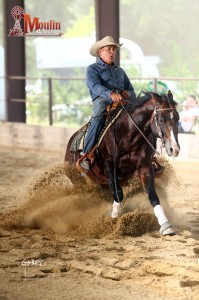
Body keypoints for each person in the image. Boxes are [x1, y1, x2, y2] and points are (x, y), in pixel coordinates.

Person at [78, 36, 136, 172]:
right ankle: (86, 155)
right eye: (108, 49)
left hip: (123, 101)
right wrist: (110, 94)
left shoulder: (120, 71)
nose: (112, 52)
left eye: (113, 50)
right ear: (100, 53)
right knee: (98, 119)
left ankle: (143, 154)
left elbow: (131, 90)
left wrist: (128, 95)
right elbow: (94, 86)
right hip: (102, 100)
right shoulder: (93, 69)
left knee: (139, 118)